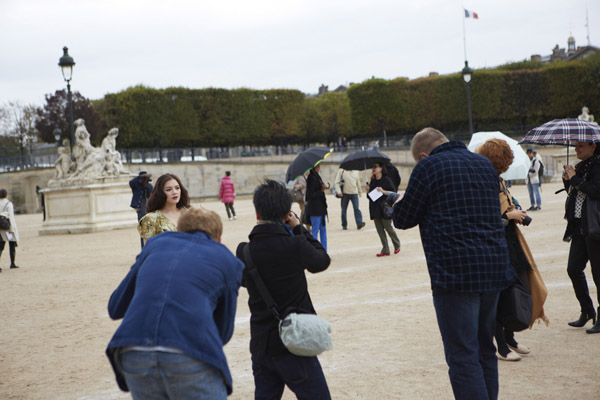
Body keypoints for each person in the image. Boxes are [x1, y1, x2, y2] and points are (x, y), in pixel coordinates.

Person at [391, 128, 515, 400]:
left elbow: (403, 219)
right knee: (485, 349)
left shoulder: (428, 167)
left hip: (455, 273)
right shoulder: (484, 164)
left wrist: (398, 201)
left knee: (462, 355)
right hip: (493, 268)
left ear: (423, 155)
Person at [106, 207, 244, 399]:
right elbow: (223, 333)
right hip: (187, 351)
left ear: (179, 230)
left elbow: (115, 307)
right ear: (218, 238)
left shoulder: (155, 244)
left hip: (133, 348)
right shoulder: (227, 259)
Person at [236, 179, 331, 400]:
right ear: (286, 213)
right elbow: (321, 261)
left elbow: (243, 280)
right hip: (294, 340)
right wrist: (299, 228)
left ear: (257, 213)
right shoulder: (295, 245)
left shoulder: (245, 251)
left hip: (261, 344)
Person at [476, 139, 549, 361]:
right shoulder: (483, 182)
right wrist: (508, 216)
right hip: (494, 244)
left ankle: (509, 338)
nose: (506, 166)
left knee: (514, 289)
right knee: (498, 295)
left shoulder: (497, 179)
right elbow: (482, 221)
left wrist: (517, 211)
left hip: (509, 242)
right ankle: (501, 345)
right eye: (503, 162)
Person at [562, 141, 600, 334]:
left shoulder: (598, 164)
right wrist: (568, 179)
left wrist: (575, 179)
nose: (576, 149)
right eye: (575, 146)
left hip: (594, 226)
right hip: (579, 226)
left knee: (598, 273)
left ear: (593, 146)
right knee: (573, 269)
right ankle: (587, 310)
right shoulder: (582, 166)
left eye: (581, 146)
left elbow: (595, 191)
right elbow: (575, 192)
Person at [138, 173, 190, 245]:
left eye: (177, 188)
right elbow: (149, 251)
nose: (175, 192)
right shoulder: (151, 219)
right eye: (169, 190)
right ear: (160, 193)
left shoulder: (190, 215)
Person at [368, 162, 400, 256]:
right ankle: (385, 249)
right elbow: (370, 196)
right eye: (372, 167)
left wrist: (383, 191)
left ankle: (396, 244)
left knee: (388, 227)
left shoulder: (386, 180)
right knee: (379, 229)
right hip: (375, 207)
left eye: (375, 167)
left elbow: (393, 193)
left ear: (381, 168)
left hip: (385, 207)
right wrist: (368, 190)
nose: (373, 169)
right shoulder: (373, 181)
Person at [305, 164, 328, 251]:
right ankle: (315, 251)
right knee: (315, 231)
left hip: (321, 208)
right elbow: (310, 195)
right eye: (318, 165)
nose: (319, 167)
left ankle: (324, 251)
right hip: (315, 209)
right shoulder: (311, 178)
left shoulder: (316, 176)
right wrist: (321, 190)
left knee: (323, 231)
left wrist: (323, 188)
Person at [129, 171, 153, 248]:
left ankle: (146, 247)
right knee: (144, 228)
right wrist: (140, 177)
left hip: (146, 208)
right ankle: (144, 247)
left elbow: (151, 195)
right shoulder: (136, 184)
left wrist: (146, 185)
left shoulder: (149, 186)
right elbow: (131, 182)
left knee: (146, 228)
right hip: (140, 208)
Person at [0, 189, 19, 272]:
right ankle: (12, 263)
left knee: (1, 246)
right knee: (11, 244)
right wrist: (13, 228)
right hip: (8, 227)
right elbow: (11, 217)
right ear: (6, 195)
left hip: (0, 227)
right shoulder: (8, 203)